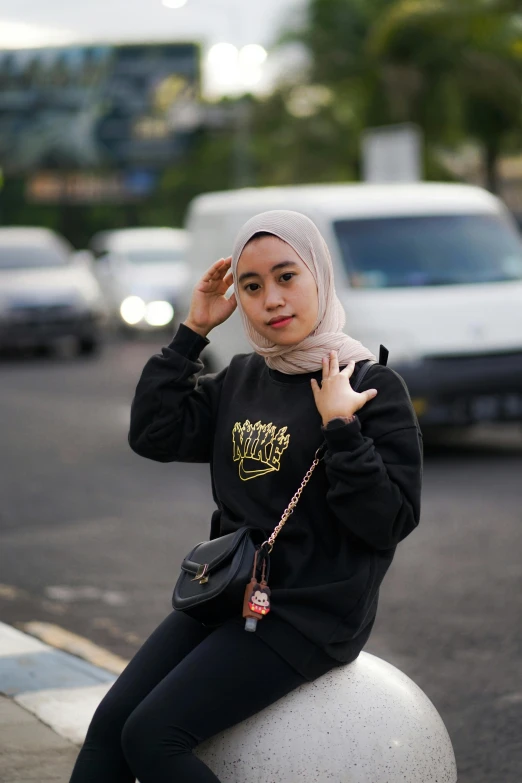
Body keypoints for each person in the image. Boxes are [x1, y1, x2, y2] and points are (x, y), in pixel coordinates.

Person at [69, 210, 423, 783]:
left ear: (319, 278)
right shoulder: (241, 376)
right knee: (111, 726)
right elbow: (154, 434)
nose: (272, 300)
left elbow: (388, 522)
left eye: (287, 277)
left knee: (153, 736)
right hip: (229, 589)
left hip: (310, 615)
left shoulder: (370, 386)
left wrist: (340, 429)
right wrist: (193, 332)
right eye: (252, 286)